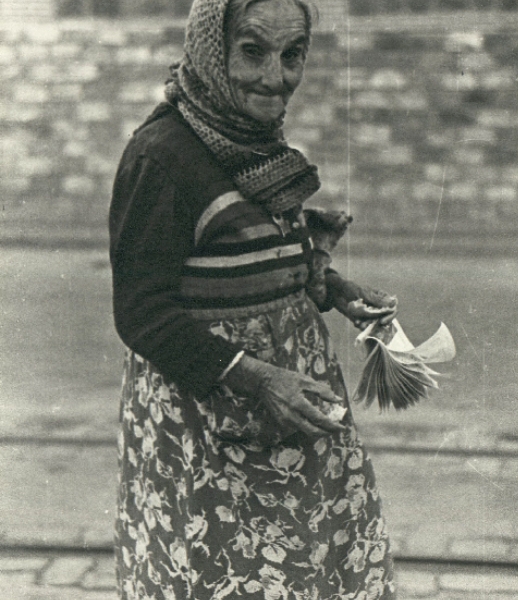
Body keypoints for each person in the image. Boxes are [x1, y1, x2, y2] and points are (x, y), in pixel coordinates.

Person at [109, 0, 398, 597]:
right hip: (210, 417)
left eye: (293, 55)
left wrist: (336, 290)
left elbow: (263, 247)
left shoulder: (251, 141)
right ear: (212, 51)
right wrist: (258, 379)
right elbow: (141, 312)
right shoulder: (161, 156)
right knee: (223, 574)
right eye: (253, 51)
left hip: (290, 411)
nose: (276, 77)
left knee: (305, 568)